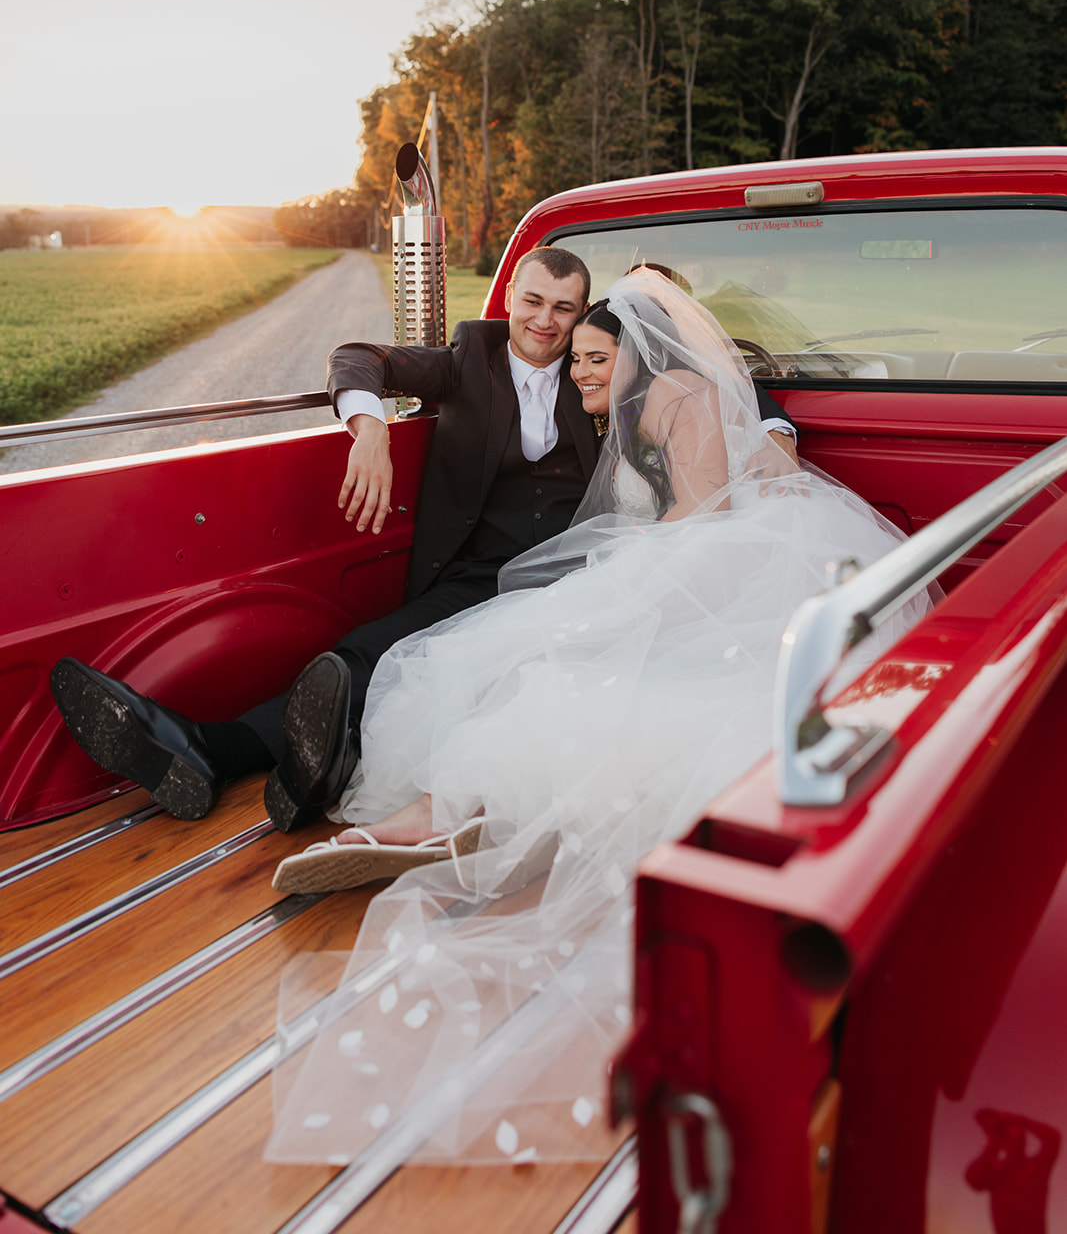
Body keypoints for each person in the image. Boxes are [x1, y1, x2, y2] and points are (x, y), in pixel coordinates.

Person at [264, 268, 931, 1170]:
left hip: (724, 573)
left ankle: (442, 817)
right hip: (691, 564)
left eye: (593, 358)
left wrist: (621, 594)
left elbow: (706, 520)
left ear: (637, 351)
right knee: (513, 653)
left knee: (546, 664)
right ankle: (447, 816)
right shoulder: (621, 398)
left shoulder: (676, 396)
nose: (580, 374)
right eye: (573, 358)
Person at [48, 248, 801, 833]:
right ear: (511, 296)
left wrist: (775, 430)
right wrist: (369, 429)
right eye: (533, 301)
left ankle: (285, 766)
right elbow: (358, 357)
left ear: (584, 317)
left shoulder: (598, 366)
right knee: (365, 651)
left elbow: (708, 370)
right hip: (475, 572)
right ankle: (211, 749)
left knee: (403, 665)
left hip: (577, 573)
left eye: (563, 310)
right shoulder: (467, 359)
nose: (545, 322)